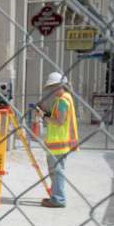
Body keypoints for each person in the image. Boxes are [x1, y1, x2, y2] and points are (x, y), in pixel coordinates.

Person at [37, 72, 79, 208]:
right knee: (57, 170)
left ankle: (58, 199)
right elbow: (58, 117)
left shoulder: (62, 101)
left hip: (58, 142)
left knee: (56, 171)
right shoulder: (65, 98)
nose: (51, 91)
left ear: (60, 86)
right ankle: (56, 196)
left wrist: (43, 116)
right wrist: (45, 112)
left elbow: (59, 121)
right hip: (60, 141)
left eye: (53, 87)